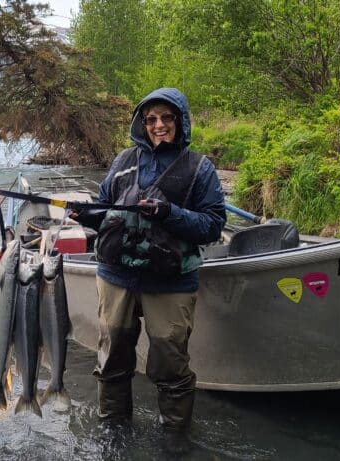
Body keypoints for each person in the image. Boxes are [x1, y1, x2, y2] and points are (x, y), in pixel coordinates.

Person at [70, 88, 226, 440]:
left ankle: (174, 437)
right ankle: (113, 430)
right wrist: (85, 214)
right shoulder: (124, 160)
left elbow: (213, 225)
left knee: (170, 366)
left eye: (166, 118)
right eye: (151, 119)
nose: (158, 125)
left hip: (170, 284)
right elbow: (106, 211)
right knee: (111, 360)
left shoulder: (200, 168)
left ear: (180, 121)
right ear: (143, 123)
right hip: (116, 279)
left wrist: (170, 213)